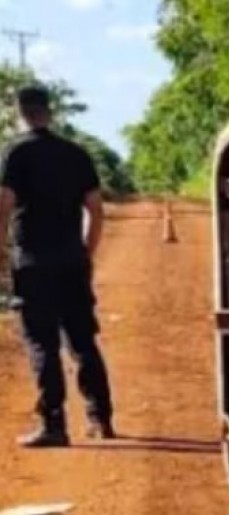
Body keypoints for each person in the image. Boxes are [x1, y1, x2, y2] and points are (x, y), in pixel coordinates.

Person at [0, 84, 115, 447]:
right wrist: (87, 253)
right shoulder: (76, 154)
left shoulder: (14, 153)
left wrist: (1, 256)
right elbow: (96, 210)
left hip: (33, 262)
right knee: (82, 339)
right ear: (50, 111)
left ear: (18, 111)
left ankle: (54, 425)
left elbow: (3, 206)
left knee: (41, 344)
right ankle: (101, 418)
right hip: (71, 260)